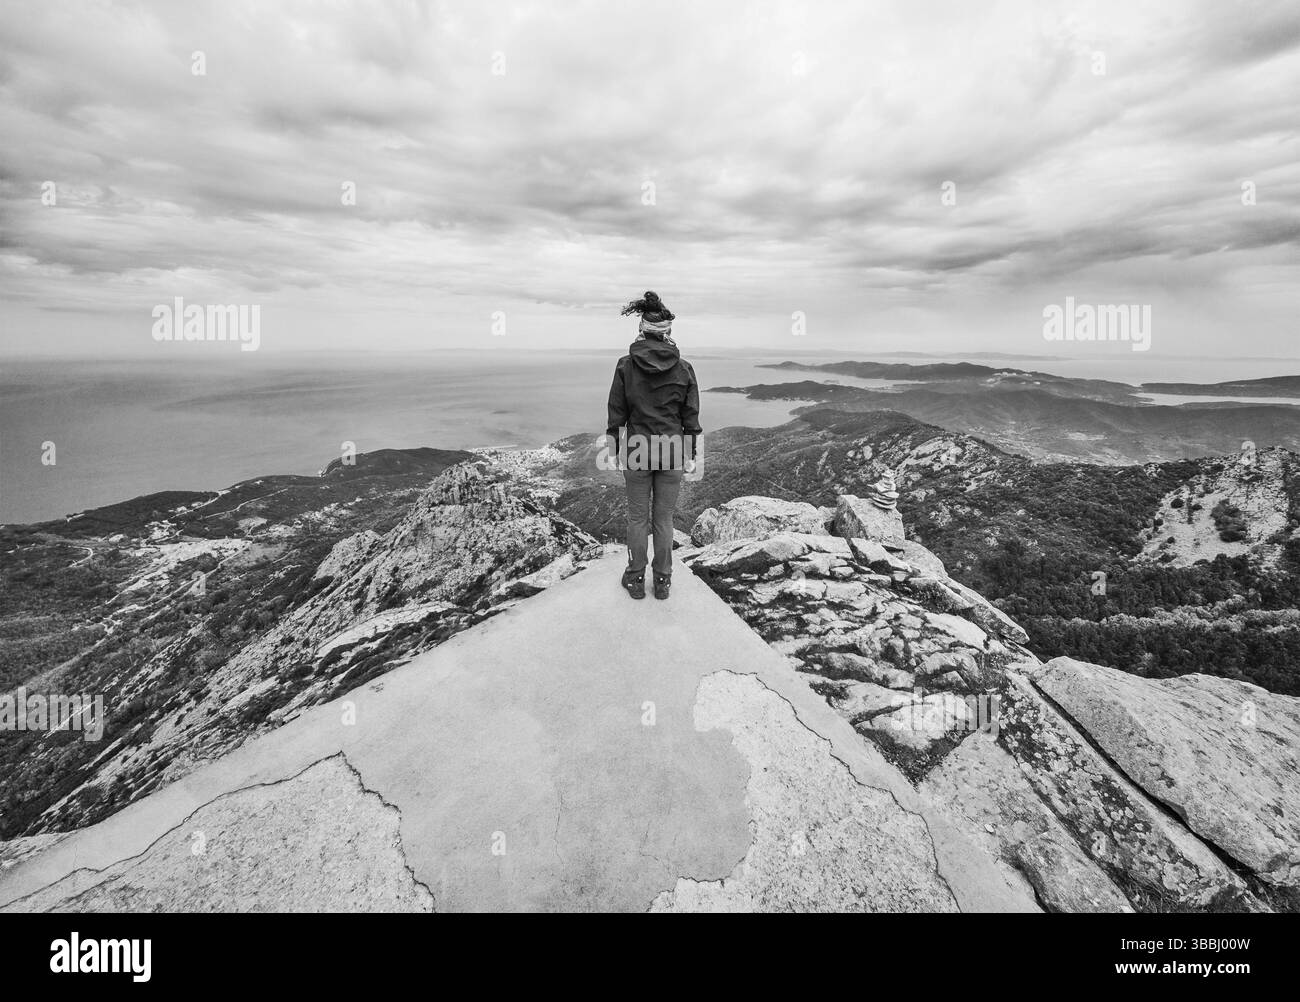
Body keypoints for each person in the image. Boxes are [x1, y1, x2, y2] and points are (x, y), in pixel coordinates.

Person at [606, 291, 701, 600]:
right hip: (672, 449)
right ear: (668, 332)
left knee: (637, 518)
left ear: (641, 330)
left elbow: (616, 413)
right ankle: (662, 581)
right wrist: (692, 454)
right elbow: (690, 416)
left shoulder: (625, 366)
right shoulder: (684, 368)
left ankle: (635, 579)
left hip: (636, 449)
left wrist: (612, 451)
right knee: (664, 519)